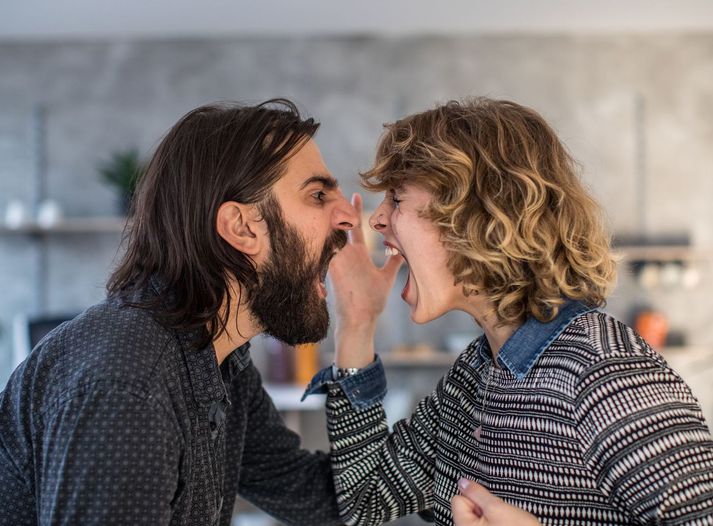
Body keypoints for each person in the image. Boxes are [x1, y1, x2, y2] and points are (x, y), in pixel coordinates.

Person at [304, 97, 713, 525]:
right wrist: (358, 320)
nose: (378, 220)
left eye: (397, 198)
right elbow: (366, 496)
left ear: (475, 215)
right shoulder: (476, 374)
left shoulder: (606, 376)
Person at [0, 99, 360, 525]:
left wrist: (361, 323)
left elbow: (318, 495)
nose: (350, 217)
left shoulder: (218, 353)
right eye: (318, 195)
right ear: (241, 227)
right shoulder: (129, 386)